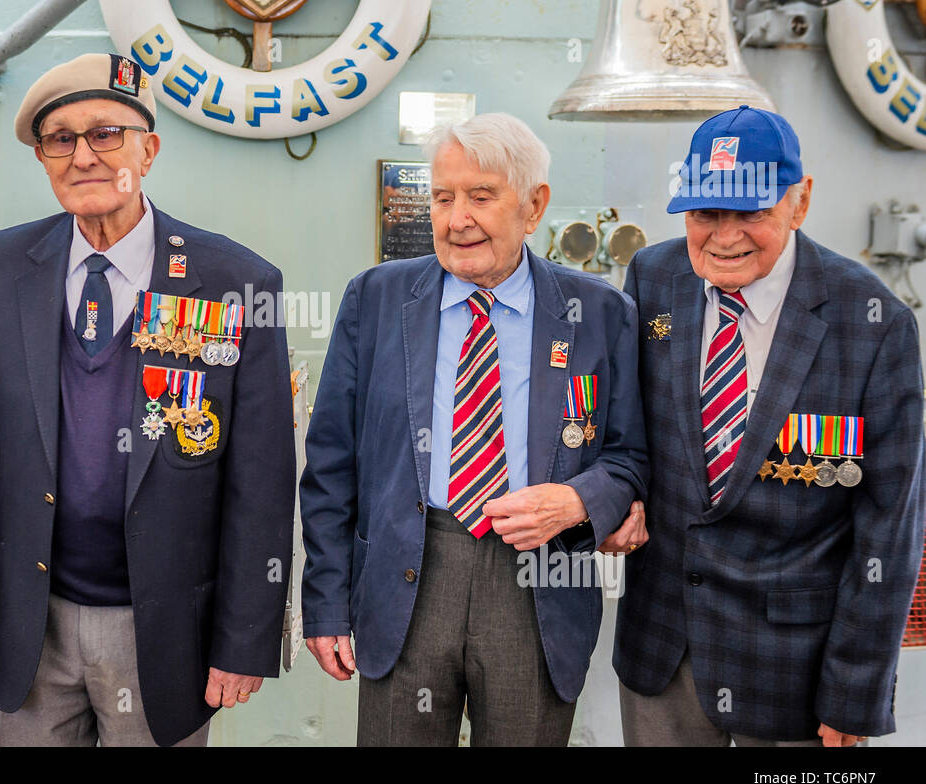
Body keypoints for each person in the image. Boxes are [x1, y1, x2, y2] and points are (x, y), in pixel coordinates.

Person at [0, 52, 296, 747]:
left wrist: (245, 637)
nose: (83, 155)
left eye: (106, 134)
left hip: (162, 623)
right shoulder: (6, 264)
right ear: (42, 158)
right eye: (59, 138)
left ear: (148, 150)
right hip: (34, 619)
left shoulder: (233, 279)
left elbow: (263, 482)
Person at [300, 113, 648, 746]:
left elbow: (630, 455)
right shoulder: (375, 300)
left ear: (534, 205)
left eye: (481, 197)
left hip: (537, 582)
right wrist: (324, 604)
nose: (457, 218)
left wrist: (577, 500)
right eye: (443, 197)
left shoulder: (599, 313)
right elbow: (330, 465)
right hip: (408, 578)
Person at [612, 105, 926, 746]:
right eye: (705, 214)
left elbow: (889, 527)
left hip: (796, 670)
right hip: (662, 645)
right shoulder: (652, 278)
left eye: (750, 213)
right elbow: (619, 427)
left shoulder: (874, 323)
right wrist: (614, 498)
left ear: (800, 201)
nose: (724, 237)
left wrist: (856, 692)